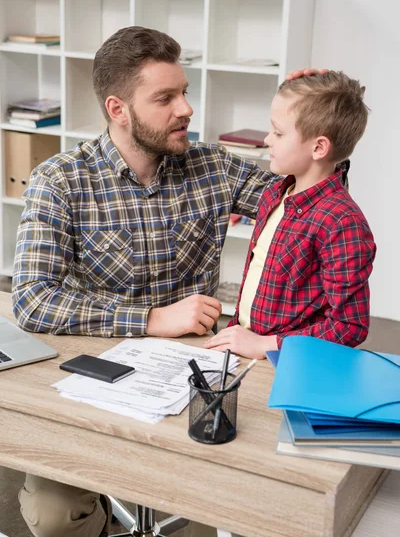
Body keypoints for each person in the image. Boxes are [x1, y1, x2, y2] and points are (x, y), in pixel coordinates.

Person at [12, 26, 316, 537]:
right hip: (100, 380)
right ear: (118, 109)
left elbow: (310, 208)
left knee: (244, 502)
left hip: (199, 378)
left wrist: (313, 126)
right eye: (165, 98)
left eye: (185, 93)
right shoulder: (60, 181)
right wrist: (151, 320)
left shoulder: (213, 167)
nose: (186, 109)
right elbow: (32, 300)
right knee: (52, 514)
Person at [204, 71, 376, 360]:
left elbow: (348, 325)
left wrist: (266, 345)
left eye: (279, 132)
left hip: (285, 363)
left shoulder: (343, 223)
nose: (267, 139)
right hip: (240, 348)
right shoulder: (274, 193)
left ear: (319, 147)